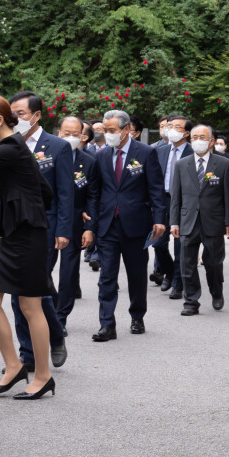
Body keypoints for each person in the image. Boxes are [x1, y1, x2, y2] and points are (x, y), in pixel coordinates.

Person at [0, 95, 61, 399]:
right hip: (16, 234)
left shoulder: (9, 148)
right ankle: (13, 365)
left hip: (28, 236)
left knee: (30, 306)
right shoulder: (14, 148)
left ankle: (43, 375)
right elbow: (44, 190)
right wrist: (7, 224)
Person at [7, 91, 75, 369]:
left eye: (20, 114)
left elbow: (65, 193)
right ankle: (28, 355)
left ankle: (55, 336)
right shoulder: (9, 143)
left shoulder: (57, 146)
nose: (16, 119)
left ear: (36, 115)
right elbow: (3, 192)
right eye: (12, 115)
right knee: (16, 293)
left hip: (45, 227)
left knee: (36, 290)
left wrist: (63, 229)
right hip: (14, 228)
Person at [87, 109, 166, 341]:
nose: (107, 134)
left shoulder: (146, 152)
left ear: (126, 130)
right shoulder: (101, 155)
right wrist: (91, 223)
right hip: (108, 224)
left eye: (111, 131)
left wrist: (159, 219)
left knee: (136, 275)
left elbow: (156, 190)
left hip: (136, 224)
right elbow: (96, 191)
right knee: (107, 277)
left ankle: (137, 316)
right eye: (104, 130)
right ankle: (107, 324)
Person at [169, 124, 229, 314]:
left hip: (213, 221)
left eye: (202, 137)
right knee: (187, 263)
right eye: (194, 137)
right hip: (188, 220)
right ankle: (191, 301)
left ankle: (217, 292)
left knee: (213, 262)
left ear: (211, 141)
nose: (198, 141)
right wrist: (174, 222)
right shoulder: (182, 164)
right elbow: (176, 196)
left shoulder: (223, 164)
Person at [56, 115, 96, 324]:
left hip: (74, 223)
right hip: (48, 220)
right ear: (58, 134)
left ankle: (61, 316)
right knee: (42, 269)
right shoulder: (44, 157)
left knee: (69, 272)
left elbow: (92, 195)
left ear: (82, 136)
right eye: (66, 134)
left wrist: (89, 227)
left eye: (75, 134)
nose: (71, 138)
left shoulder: (88, 162)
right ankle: (49, 308)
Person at [151, 114, 190, 298]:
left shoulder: (192, 152)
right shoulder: (161, 150)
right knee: (158, 243)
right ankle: (170, 271)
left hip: (183, 203)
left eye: (176, 126)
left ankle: (178, 283)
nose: (171, 129)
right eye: (169, 126)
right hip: (163, 201)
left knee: (180, 245)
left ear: (186, 133)